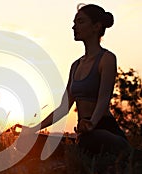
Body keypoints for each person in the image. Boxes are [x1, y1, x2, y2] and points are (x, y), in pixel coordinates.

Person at [16, 4, 130, 156]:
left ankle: (124, 154)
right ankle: (72, 154)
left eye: (80, 22)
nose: (74, 27)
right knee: (24, 141)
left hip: (104, 130)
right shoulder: (76, 65)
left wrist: (91, 123)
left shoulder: (107, 59)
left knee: (91, 139)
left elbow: (104, 99)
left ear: (96, 27)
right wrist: (33, 128)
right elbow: (64, 108)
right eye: (74, 23)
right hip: (83, 133)